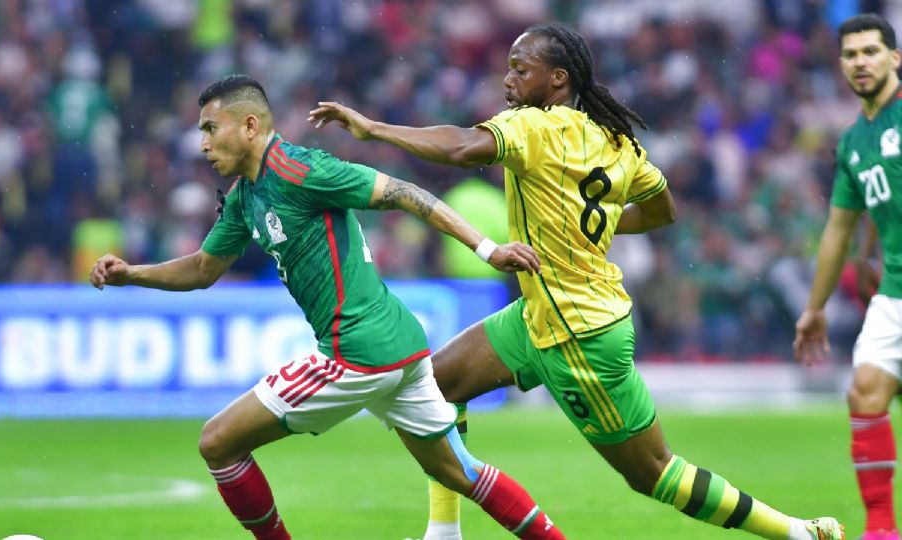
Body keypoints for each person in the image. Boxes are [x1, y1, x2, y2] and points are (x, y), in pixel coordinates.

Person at [310, 22, 846, 540]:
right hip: (539, 315)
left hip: (582, 334)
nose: (508, 81)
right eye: (508, 70)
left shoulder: (532, 126)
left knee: (653, 473)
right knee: (436, 390)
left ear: (558, 79)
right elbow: (661, 209)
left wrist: (373, 128)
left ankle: (799, 533)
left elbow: (458, 148)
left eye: (521, 69)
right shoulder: (619, 144)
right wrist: (594, 228)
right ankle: (444, 532)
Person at [88, 74, 567, 540]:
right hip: (399, 347)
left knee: (218, 443)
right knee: (464, 473)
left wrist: (488, 250)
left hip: (354, 352)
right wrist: (133, 274)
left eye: (212, 129)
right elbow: (201, 269)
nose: (205, 144)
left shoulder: (300, 170)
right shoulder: (245, 198)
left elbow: (406, 193)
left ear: (250, 125)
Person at [794, 13, 902, 540]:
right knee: (865, 392)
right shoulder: (854, 142)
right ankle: (881, 529)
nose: (861, 62)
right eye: (852, 54)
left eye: (871, 51)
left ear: (895, 58)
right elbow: (839, 227)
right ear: (841, 64)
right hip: (895, 291)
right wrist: (815, 308)